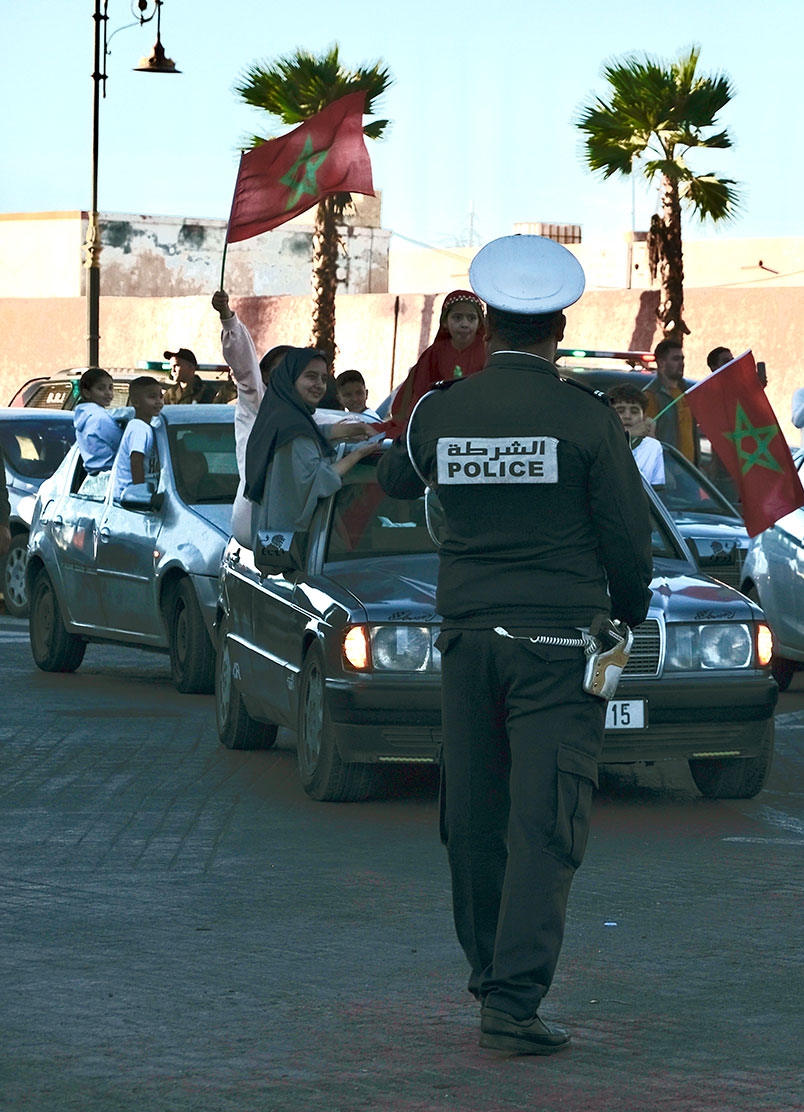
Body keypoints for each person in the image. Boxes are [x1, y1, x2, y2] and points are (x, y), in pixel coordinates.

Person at [375, 235, 654, 1057]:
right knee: (546, 819)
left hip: (465, 645)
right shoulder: (585, 419)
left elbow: (396, 478)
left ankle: (487, 974)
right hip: (559, 650)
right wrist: (626, 616)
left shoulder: (442, 411)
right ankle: (514, 997)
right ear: (557, 335)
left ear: (486, 330)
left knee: (473, 815)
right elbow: (627, 541)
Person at [214, 290, 371, 543]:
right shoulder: (262, 403)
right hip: (263, 524)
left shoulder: (300, 417)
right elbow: (244, 368)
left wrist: (370, 427)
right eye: (284, 371)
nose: (316, 383)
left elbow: (324, 429)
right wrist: (228, 318)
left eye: (320, 377)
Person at [239, 349, 379, 558]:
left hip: (272, 541)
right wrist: (358, 455)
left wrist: (353, 429)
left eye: (323, 378)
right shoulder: (293, 425)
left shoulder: (278, 415)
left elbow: (309, 434)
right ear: (290, 377)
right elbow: (319, 480)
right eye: (310, 376)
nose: (319, 385)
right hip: (300, 552)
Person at [392, 291, 490, 424]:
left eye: (471, 318)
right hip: (439, 420)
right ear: (445, 321)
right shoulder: (434, 353)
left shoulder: (488, 352)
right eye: (457, 317)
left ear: (479, 323)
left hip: (480, 419)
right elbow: (421, 391)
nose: (464, 324)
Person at [109, 377, 165, 502]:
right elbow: (136, 462)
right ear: (136, 402)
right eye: (152, 397)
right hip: (129, 499)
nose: (158, 401)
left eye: (161, 397)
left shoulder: (149, 427)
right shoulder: (139, 428)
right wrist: (140, 495)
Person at [608, 382, 665, 486]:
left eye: (634, 411)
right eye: (620, 411)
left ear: (644, 417)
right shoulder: (601, 443)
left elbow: (656, 490)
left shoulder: (653, 447)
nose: (627, 416)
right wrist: (628, 435)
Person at [73, 368, 122, 475]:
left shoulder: (83, 417)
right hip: (108, 474)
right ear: (87, 393)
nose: (108, 393)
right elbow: (122, 445)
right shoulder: (100, 418)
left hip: (93, 476)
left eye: (110, 388)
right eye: (101, 388)